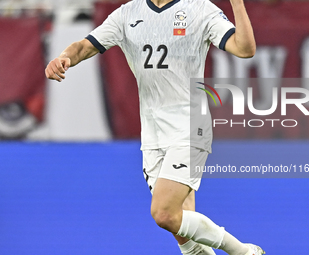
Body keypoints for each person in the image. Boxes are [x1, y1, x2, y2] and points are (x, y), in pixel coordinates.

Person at [45, 0, 264, 254]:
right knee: (182, 229)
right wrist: (64, 58)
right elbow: (84, 46)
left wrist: (237, 3)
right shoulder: (127, 14)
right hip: (152, 133)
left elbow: (245, 49)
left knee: (164, 213)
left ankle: (243, 252)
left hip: (189, 127)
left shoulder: (200, 9)